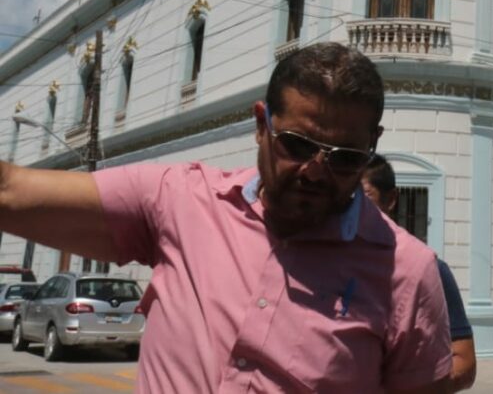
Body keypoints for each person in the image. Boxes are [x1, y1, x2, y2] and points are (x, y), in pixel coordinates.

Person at [0, 42, 451, 393]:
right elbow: (12, 192)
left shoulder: (406, 270)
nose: (317, 172)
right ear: (261, 124)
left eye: (345, 158)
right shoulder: (179, 198)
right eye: (297, 145)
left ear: (372, 145)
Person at [364, 156, 477, 392]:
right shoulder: (329, 266)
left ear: (391, 199)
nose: (355, 209)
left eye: (365, 197)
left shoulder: (429, 269)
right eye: (348, 199)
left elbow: (464, 363)